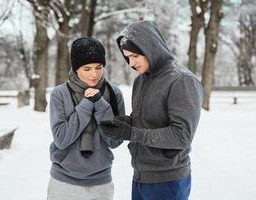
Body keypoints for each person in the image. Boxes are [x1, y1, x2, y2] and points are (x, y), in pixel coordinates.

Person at [99, 21, 203, 200]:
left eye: (135, 56)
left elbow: (181, 136)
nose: (131, 63)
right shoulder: (141, 80)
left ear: (151, 48)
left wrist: (132, 133)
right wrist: (127, 123)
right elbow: (146, 120)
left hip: (168, 180)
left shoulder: (182, 81)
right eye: (127, 58)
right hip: (141, 176)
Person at [48, 37, 125, 200]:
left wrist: (100, 103)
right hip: (64, 184)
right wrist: (87, 104)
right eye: (87, 68)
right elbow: (61, 139)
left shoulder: (113, 93)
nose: (94, 74)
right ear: (76, 68)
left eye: (99, 67)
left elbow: (115, 141)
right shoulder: (60, 94)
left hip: (100, 183)